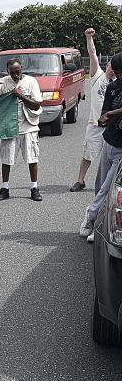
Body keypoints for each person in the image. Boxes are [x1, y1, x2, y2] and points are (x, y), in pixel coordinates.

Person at [79, 52, 122, 242]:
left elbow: (110, 112)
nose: (119, 76)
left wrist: (112, 113)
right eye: (118, 73)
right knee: (101, 185)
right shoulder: (113, 87)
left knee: (108, 188)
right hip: (109, 141)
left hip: (121, 149)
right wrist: (104, 118)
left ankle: (92, 217)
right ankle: (98, 222)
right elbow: (105, 112)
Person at [0, 58, 43, 201]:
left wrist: (20, 95)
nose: (15, 75)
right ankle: (5, 188)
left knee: (32, 158)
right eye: (12, 72)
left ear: (22, 69)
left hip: (28, 126)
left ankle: (34, 188)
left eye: (17, 71)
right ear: (8, 71)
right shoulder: (6, 81)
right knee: (6, 159)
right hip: (10, 127)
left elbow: (37, 105)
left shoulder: (31, 82)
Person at [70, 28, 115, 192]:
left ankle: (110, 183)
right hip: (95, 124)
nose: (112, 68)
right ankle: (80, 181)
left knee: (114, 156)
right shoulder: (97, 75)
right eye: (110, 65)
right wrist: (89, 38)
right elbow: (93, 54)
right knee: (88, 154)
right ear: (107, 64)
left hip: (113, 125)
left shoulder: (118, 82)